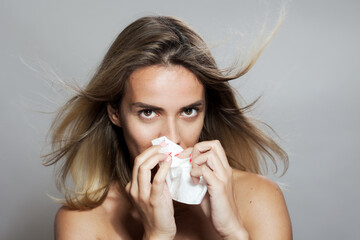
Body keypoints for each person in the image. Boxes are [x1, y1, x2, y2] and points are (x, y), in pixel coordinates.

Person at [44, 15, 292, 239]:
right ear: (115, 113)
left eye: (188, 111)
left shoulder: (259, 199)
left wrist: (232, 231)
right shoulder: (83, 222)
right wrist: (157, 235)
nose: (173, 137)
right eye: (148, 112)